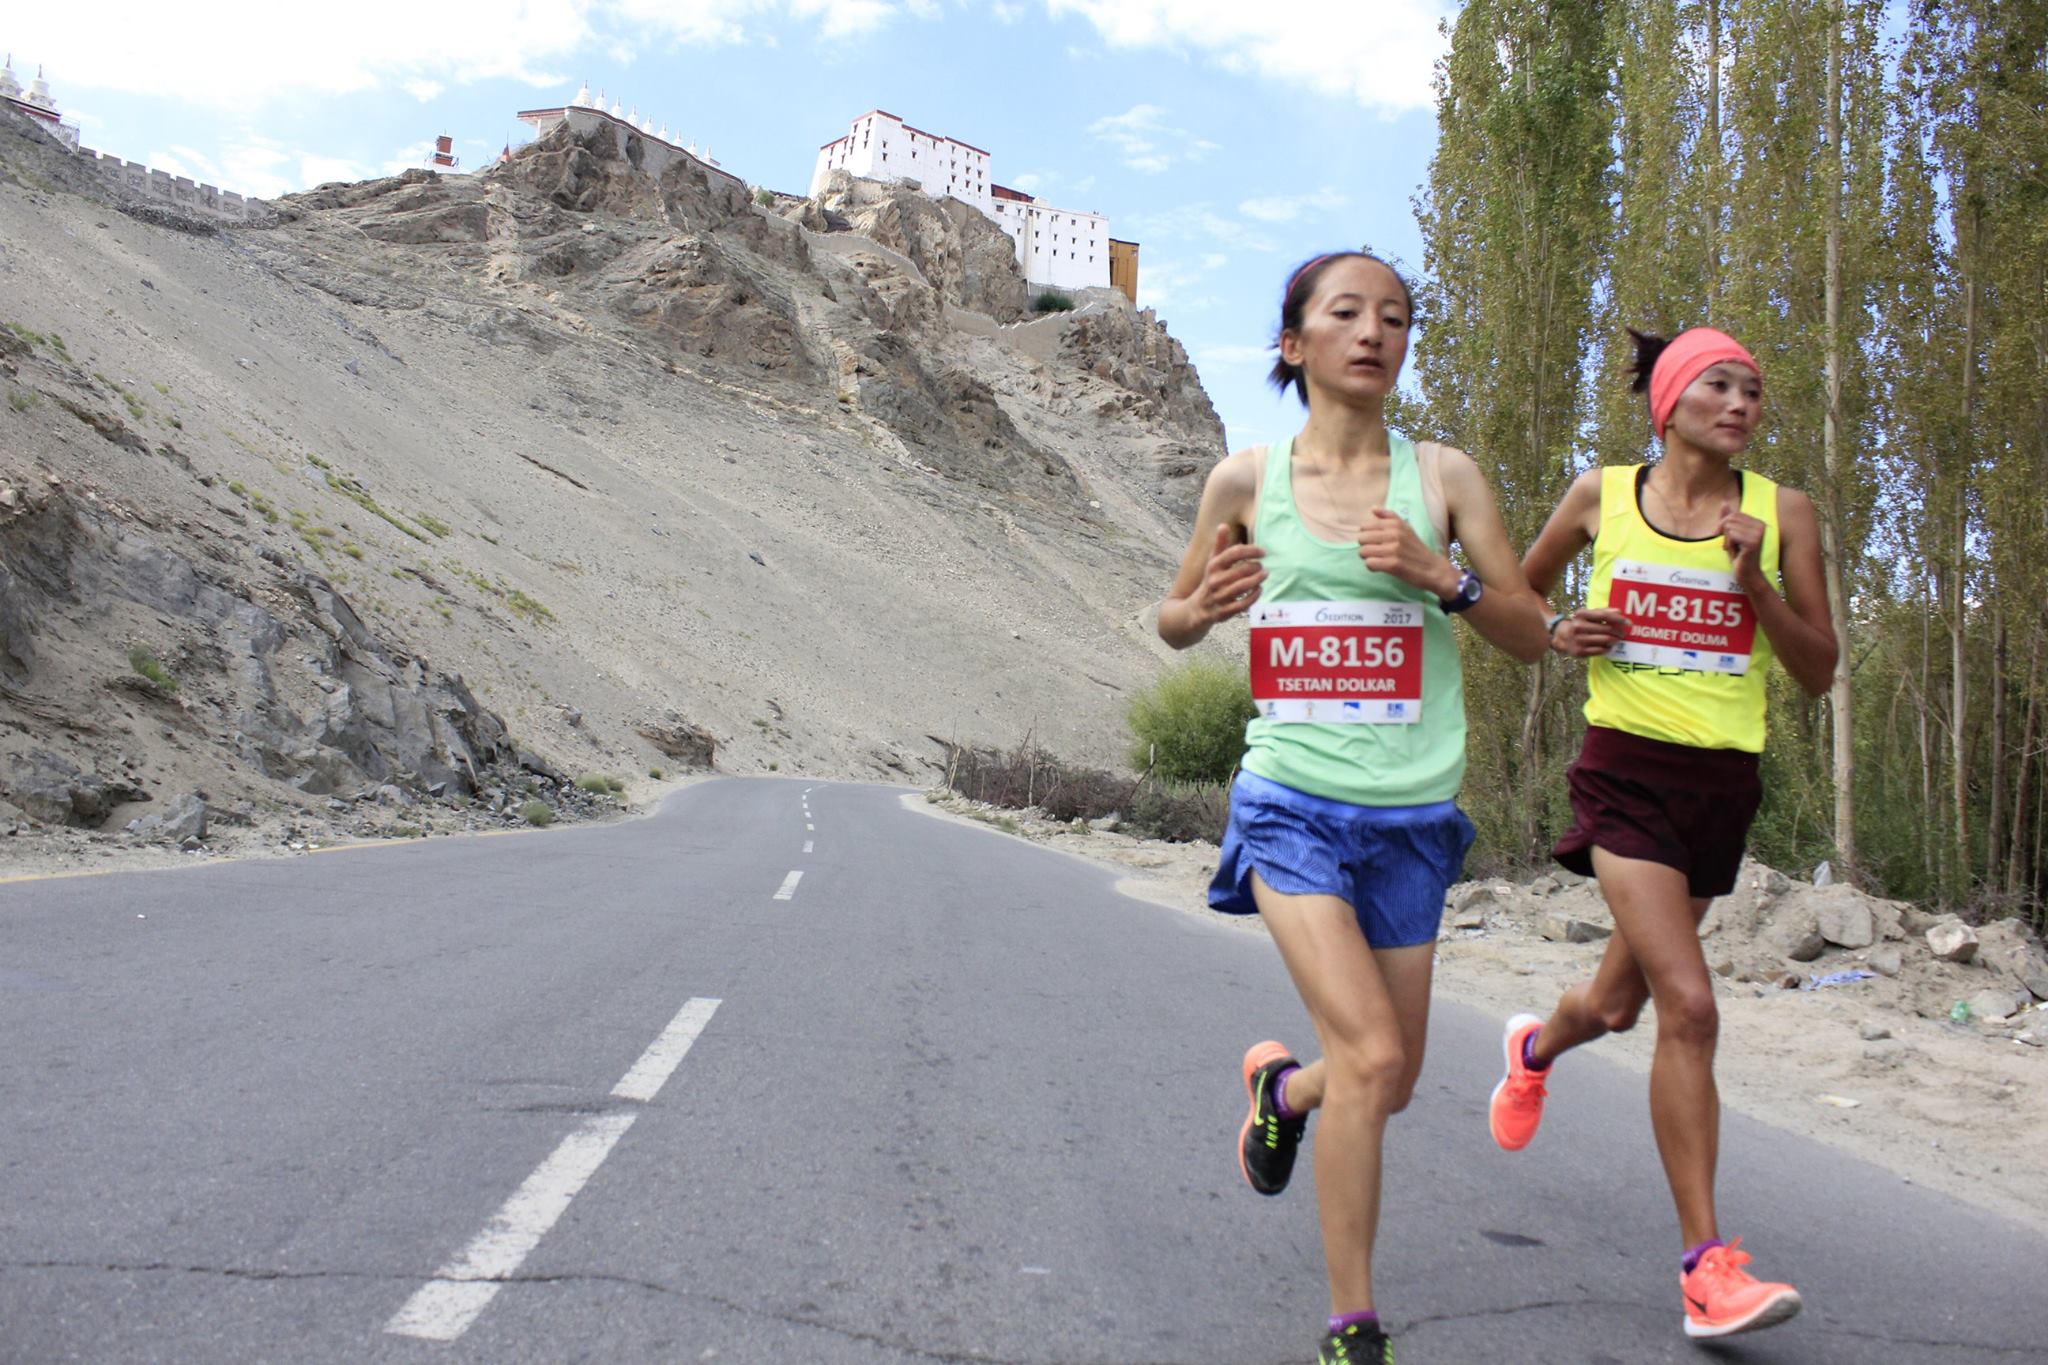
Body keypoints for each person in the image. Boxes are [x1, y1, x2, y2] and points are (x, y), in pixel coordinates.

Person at [1156, 251, 1549, 1365]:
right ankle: (1351, 1327)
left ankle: (1283, 1093)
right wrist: (1202, 611)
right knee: (1373, 1050)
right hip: (1290, 804)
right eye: (1346, 313)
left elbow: (1529, 634)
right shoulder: (1244, 483)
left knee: (1388, 1074)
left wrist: (1443, 578)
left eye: (1395, 316)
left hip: (1412, 819)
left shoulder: (1445, 480)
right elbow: (1170, 615)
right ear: (1294, 344)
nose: (1373, 331)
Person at [1487, 325, 1838, 1340]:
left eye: (1753, 390)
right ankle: (1703, 1270)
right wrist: (1558, 632)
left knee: (1615, 1004)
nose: (1740, 403)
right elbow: (1520, 595)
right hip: (1624, 774)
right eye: (1718, 385)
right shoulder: (1600, 496)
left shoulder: (1782, 515)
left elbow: (1816, 669)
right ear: (1669, 403)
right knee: (1688, 1005)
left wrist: (1756, 585)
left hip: (1720, 788)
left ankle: (1535, 1047)